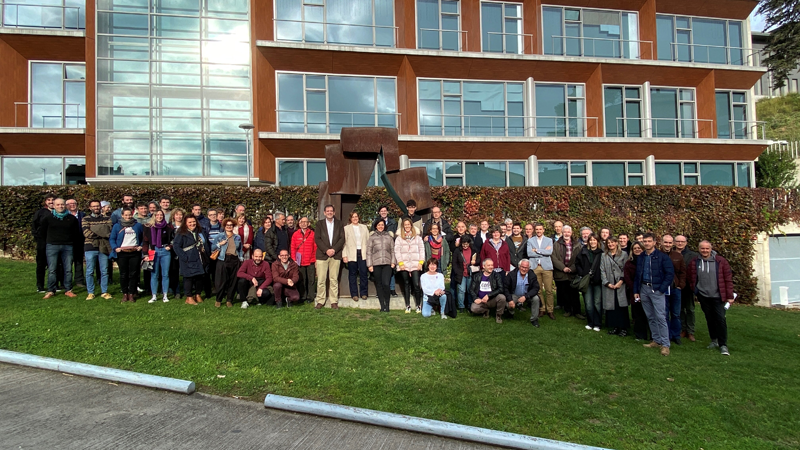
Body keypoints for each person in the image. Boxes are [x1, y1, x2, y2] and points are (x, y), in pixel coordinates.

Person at [688, 241, 734, 356]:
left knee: (720, 319)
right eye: (702, 248)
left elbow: (728, 279)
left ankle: (723, 344)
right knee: (709, 318)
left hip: (718, 296)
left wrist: (729, 296)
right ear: (699, 249)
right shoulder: (695, 261)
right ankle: (714, 340)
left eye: (707, 248)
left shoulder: (720, 261)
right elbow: (691, 276)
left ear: (711, 249)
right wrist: (696, 290)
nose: (704, 251)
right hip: (703, 296)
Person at [634, 233, 675, 356]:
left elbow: (669, 274)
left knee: (661, 317)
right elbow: (637, 275)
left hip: (656, 289)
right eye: (645, 241)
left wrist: (661, 289)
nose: (646, 243)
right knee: (650, 316)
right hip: (644, 288)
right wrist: (636, 291)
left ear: (654, 242)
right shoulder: (641, 256)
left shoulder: (662, 257)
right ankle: (656, 340)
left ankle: (665, 344)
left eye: (649, 241)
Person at [41, 198, 81, 299]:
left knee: (68, 269)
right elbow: (42, 232)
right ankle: (51, 290)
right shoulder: (48, 218)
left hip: (68, 246)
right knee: (52, 269)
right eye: (58, 205)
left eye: (62, 205)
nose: (60, 206)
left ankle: (68, 289)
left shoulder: (72, 219)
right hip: (52, 246)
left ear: (65, 205)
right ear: (54, 206)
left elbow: (76, 234)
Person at [109, 207, 144, 303]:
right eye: (126, 215)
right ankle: (125, 293)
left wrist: (140, 246)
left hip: (134, 253)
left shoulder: (138, 225)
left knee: (133, 274)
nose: (128, 216)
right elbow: (112, 238)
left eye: (129, 214)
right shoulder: (117, 226)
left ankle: (132, 293)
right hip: (122, 253)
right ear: (122, 215)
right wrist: (115, 248)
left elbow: (142, 237)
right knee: (123, 274)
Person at [314, 204, 345, 309]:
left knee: (333, 279)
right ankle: (320, 300)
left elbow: (342, 239)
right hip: (322, 255)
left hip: (335, 255)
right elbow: (317, 239)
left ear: (334, 212)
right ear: (324, 213)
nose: (329, 212)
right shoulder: (319, 224)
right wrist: (326, 250)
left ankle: (333, 301)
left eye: (331, 211)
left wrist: (334, 250)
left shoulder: (339, 224)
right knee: (321, 279)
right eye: (327, 211)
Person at [82, 200, 113, 300]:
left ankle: (104, 291)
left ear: (101, 207)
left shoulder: (107, 218)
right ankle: (90, 292)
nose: (96, 208)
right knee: (90, 271)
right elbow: (86, 233)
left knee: (104, 271)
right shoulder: (85, 219)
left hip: (103, 247)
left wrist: (95, 229)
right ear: (90, 208)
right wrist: (101, 231)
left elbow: (108, 231)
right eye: (93, 206)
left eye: (98, 206)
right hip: (90, 247)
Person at [174, 216, 208, 305]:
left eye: (194, 222)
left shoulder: (199, 231)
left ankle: (198, 294)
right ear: (185, 223)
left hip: (199, 257)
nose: (192, 224)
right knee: (188, 278)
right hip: (187, 258)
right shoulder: (181, 233)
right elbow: (176, 246)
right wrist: (185, 257)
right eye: (189, 222)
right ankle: (189, 297)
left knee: (199, 277)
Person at [552, 225, 583, 320]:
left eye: (568, 232)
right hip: (561, 272)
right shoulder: (556, 244)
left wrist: (572, 268)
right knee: (564, 292)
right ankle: (568, 310)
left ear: (571, 233)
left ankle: (577, 311)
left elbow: (579, 258)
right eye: (564, 232)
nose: (566, 234)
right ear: (562, 232)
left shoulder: (577, 244)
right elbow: (554, 257)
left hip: (573, 272)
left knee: (574, 293)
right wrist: (563, 268)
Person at [395, 218, 424, 313]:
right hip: (404, 265)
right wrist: (401, 263)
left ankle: (418, 305)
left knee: (416, 284)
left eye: (408, 224)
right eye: (405, 225)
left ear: (411, 225)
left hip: (416, 264)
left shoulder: (418, 237)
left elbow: (421, 250)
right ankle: (408, 305)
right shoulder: (399, 238)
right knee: (406, 284)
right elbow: (397, 251)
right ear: (403, 226)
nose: (407, 226)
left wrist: (420, 262)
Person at [143, 210, 173, 303]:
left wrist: (170, 246)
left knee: (165, 274)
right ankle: (154, 295)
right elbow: (145, 242)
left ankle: (165, 295)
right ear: (154, 216)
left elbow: (173, 239)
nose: (159, 216)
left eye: (161, 215)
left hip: (165, 251)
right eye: (157, 215)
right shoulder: (148, 227)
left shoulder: (168, 227)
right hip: (153, 251)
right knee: (154, 274)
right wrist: (145, 254)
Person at [661, 234, 687, 345]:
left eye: (670, 243)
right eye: (665, 242)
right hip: (662, 288)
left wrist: (680, 285)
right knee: (664, 313)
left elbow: (682, 272)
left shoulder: (678, 256)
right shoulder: (657, 254)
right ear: (661, 242)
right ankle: (666, 335)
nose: (667, 245)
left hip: (675, 288)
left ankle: (676, 335)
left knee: (676, 313)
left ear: (673, 244)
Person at [212, 218, 243, 308]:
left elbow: (240, 249)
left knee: (233, 281)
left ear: (233, 227)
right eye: (227, 225)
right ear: (224, 226)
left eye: (231, 225)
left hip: (234, 259)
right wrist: (219, 244)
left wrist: (241, 259)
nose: (229, 227)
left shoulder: (237, 237)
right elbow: (212, 247)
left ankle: (229, 299)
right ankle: (219, 299)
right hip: (223, 259)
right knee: (221, 281)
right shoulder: (220, 236)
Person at [601, 236, 629, 336]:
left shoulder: (624, 254)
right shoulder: (604, 255)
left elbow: (626, 269)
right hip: (609, 284)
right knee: (611, 307)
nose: (611, 244)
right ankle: (614, 327)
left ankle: (623, 328)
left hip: (620, 284)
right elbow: (602, 270)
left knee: (620, 306)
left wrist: (621, 281)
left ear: (616, 243)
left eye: (613, 242)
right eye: (609, 243)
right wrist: (607, 283)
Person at [366, 219, 396, 312]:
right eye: (379, 225)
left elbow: (393, 250)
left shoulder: (389, 237)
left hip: (387, 264)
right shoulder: (372, 237)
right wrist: (369, 265)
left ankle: (387, 305)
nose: (380, 226)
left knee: (386, 284)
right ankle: (382, 305)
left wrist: (393, 262)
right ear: (376, 226)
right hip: (376, 264)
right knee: (379, 284)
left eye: (382, 225)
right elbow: (369, 252)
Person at [576, 234, 604, 331]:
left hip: (598, 281)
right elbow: (577, 263)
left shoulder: (602, 253)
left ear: (598, 242)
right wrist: (582, 273)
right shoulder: (583, 251)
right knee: (588, 303)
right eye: (591, 240)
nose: (592, 242)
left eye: (594, 240)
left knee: (597, 303)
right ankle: (590, 322)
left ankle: (597, 323)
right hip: (586, 280)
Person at [675, 235, 699, 342]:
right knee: (679, 309)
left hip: (688, 286)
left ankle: (690, 331)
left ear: (686, 243)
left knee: (689, 309)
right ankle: (682, 329)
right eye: (678, 241)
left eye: (682, 241)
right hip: (675, 285)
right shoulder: (671, 254)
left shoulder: (693, 255)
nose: (680, 243)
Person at [528, 223, 554, 318]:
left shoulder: (549, 240)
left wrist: (537, 250)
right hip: (535, 267)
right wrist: (543, 251)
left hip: (546, 267)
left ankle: (550, 310)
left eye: (540, 229)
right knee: (538, 290)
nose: (539, 231)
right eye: (537, 229)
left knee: (549, 290)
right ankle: (542, 309)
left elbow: (549, 252)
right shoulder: (530, 240)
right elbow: (529, 253)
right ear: (535, 230)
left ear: (543, 230)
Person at [624, 242, 649, 341]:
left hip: (647, 290)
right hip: (635, 292)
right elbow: (627, 277)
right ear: (632, 250)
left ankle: (651, 335)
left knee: (648, 313)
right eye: (635, 248)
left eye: (639, 248)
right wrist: (635, 289)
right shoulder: (629, 263)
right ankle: (639, 335)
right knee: (638, 314)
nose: (637, 250)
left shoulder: (647, 261)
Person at [469, 258, 507, 324]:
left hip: (492, 300)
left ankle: (498, 315)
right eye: (488, 265)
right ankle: (485, 311)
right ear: (484, 266)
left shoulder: (496, 275)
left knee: (502, 297)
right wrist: (475, 298)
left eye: (492, 265)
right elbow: (471, 289)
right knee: (473, 308)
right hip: (481, 300)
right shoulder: (476, 276)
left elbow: (501, 289)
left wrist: (488, 295)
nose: (491, 267)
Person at [504, 259, 540, 324]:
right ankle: (510, 313)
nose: (524, 269)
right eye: (522, 267)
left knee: (536, 299)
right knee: (508, 303)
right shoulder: (511, 274)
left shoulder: (532, 275)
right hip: (514, 295)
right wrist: (510, 300)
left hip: (527, 295)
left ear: (529, 268)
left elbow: (536, 288)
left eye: (526, 268)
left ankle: (534, 319)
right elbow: (505, 288)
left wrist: (526, 296)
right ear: (519, 266)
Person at [32, 193, 56, 293]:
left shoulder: (58, 212)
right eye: (48, 200)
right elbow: (34, 226)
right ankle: (40, 286)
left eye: (52, 200)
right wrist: (39, 239)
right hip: (43, 242)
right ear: (45, 202)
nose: (51, 202)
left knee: (56, 264)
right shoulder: (40, 213)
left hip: (55, 242)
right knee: (41, 264)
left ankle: (56, 285)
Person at [343, 211, 369, 301]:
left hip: (362, 253)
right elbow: (344, 243)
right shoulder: (346, 228)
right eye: (353, 217)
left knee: (363, 273)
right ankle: (354, 294)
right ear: (350, 218)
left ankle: (364, 293)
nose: (355, 218)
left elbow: (368, 241)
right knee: (352, 275)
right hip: (351, 253)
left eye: (356, 216)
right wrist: (344, 255)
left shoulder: (364, 227)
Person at [290, 216, 317, 303]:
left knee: (311, 280)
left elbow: (315, 247)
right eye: (302, 222)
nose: (304, 223)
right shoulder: (295, 234)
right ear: (299, 224)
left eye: (306, 222)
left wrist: (314, 259)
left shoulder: (313, 234)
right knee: (301, 279)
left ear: (308, 223)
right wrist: (294, 259)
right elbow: (293, 248)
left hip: (310, 261)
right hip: (299, 261)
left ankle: (310, 296)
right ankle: (302, 296)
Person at [451, 235, 476, 312]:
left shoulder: (473, 250)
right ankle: (461, 306)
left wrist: (474, 263)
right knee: (461, 290)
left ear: (469, 243)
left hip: (470, 273)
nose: (465, 246)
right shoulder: (457, 251)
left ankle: (469, 305)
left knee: (469, 290)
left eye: (466, 244)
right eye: (463, 244)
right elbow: (454, 263)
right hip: (461, 274)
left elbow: (478, 260)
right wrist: (458, 272)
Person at [66, 198, 86, 288]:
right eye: (70, 204)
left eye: (74, 203)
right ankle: (66, 282)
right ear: (66, 206)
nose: (72, 205)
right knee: (67, 263)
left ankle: (79, 281)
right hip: (68, 242)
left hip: (80, 241)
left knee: (79, 262)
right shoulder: (65, 215)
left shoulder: (83, 215)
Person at [168, 208, 186, 299]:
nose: (179, 217)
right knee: (174, 272)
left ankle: (187, 290)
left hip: (185, 251)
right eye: (177, 215)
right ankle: (176, 291)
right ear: (173, 216)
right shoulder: (170, 227)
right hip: (172, 252)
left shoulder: (186, 226)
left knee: (185, 271)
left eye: (180, 215)